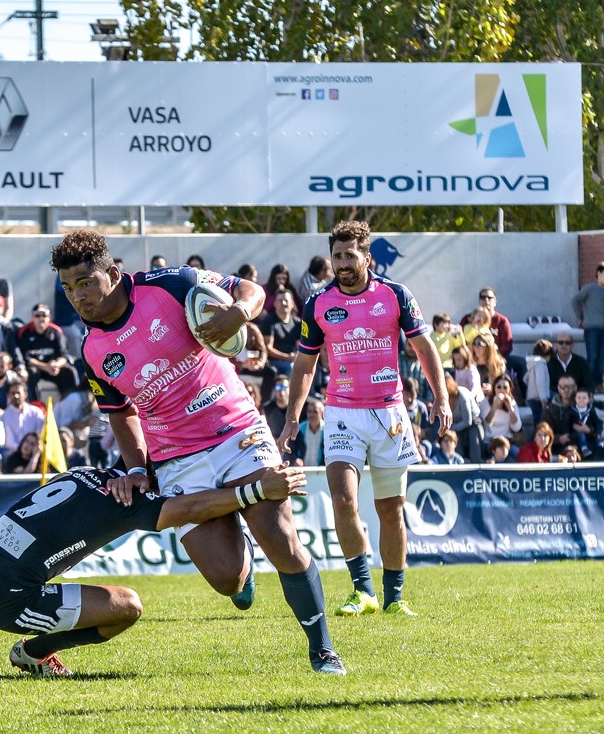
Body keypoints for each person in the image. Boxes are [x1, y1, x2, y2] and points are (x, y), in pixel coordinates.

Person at [51, 229, 344, 675]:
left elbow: (251, 290)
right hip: (175, 458)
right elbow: (120, 412)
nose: (79, 296)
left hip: (236, 430)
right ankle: (240, 556)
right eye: (69, 288)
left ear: (113, 273)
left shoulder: (169, 284)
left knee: (281, 538)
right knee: (228, 579)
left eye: (86, 282)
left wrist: (239, 313)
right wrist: (136, 469)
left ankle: (323, 650)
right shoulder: (93, 349)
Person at [0, 464, 309, 679]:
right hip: (13, 594)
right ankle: (33, 652)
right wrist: (253, 492)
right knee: (127, 607)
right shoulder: (127, 501)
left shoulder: (85, 474)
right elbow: (193, 509)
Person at [279, 221, 450, 620]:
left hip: (390, 414)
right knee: (343, 499)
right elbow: (305, 365)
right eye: (336, 256)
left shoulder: (395, 295)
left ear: (366, 256)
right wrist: (292, 418)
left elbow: (425, 349)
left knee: (391, 509)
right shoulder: (317, 303)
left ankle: (394, 596)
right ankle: (362, 590)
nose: (342, 263)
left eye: (349, 255)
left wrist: (440, 399)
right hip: (341, 413)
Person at [17, 303, 78, 402]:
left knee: (70, 372)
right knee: (31, 372)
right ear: (32, 317)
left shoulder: (56, 331)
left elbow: (63, 356)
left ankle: (70, 404)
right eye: (37, 316)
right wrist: (45, 366)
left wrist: (56, 364)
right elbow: (25, 358)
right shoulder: (24, 332)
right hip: (36, 368)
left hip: (52, 369)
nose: (41, 319)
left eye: (44, 316)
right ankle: (35, 405)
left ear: (49, 317)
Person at [572, 263, 604, 391]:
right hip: (592, 329)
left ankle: (598, 383)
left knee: (602, 358)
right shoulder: (590, 288)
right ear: (599, 273)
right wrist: (581, 317)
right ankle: (588, 384)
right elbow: (575, 300)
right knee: (593, 356)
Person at [484, 374, 523, 445]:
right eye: (499, 387)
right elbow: (487, 426)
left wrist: (510, 408)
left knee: (516, 454)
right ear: (494, 388)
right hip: (491, 440)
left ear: (509, 389)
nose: (501, 390)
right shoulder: (486, 401)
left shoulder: (512, 403)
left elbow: (516, 428)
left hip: (507, 440)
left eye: (505, 388)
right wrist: (494, 407)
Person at [524, 339, 553, 426]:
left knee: (536, 419)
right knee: (540, 422)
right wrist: (544, 399)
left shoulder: (532, 364)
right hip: (538, 399)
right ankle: (536, 438)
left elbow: (525, 379)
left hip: (531, 397)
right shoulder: (541, 365)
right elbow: (540, 383)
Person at [569, 388, 602, 458]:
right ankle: (584, 448)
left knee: (596, 442)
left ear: (589, 399)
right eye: (579, 398)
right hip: (574, 434)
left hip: (589, 435)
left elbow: (597, 422)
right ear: (575, 399)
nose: (581, 400)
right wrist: (569, 429)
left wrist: (597, 432)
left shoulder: (591, 410)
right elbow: (567, 422)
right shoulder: (571, 410)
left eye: (584, 398)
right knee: (581, 435)